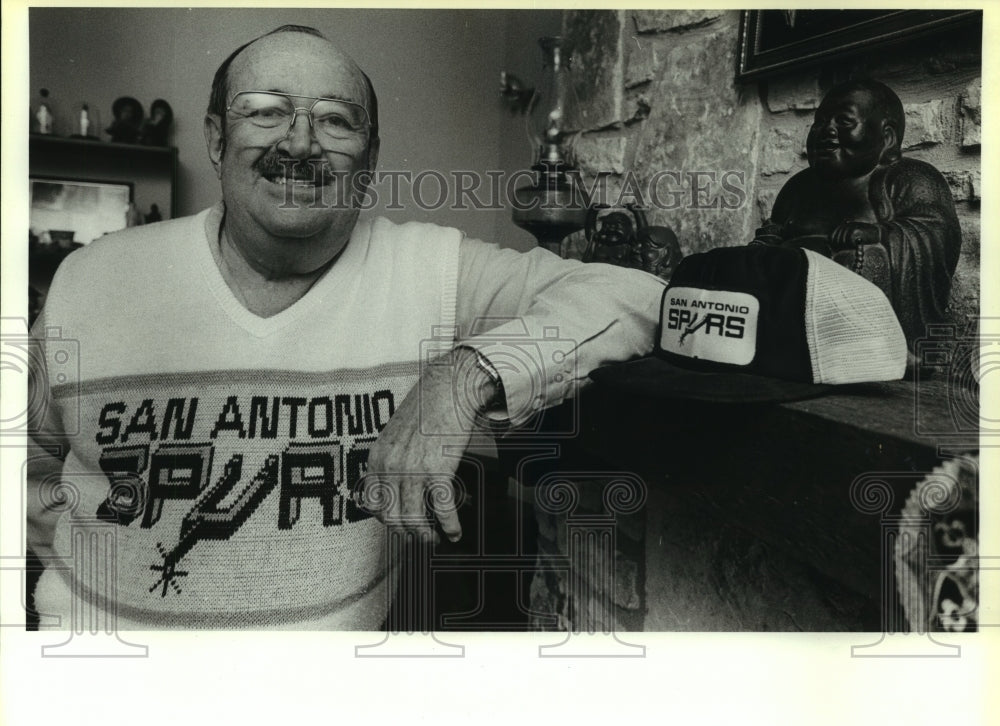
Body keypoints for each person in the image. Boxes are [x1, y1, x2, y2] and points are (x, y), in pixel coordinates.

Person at [26, 25, 663, 630]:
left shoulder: (431, 268)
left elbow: (636, 294)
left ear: (370, 157)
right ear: (217, 139)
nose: (300, 144)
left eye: (335, 120)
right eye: (266, 111)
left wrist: (464, 375)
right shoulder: (91, 278)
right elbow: (24, 472)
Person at [752, 78, 961, 345]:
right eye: (820, 121)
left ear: (887, 138)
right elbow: (774, 230)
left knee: (861, 259)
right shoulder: (798, 186)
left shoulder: (910, 179)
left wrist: (877, 234)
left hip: (854, 311)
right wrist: (760, 250)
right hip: (788, 301)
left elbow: (936, 234)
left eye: (844, 121)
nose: (827, 130)